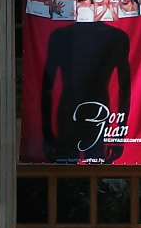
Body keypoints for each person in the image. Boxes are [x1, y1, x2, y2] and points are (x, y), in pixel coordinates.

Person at [41, 20, 132, 164]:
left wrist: (47, 132)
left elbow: (47, 86)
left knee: (73, 167)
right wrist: (119, 134)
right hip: (91, 110)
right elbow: (124, 87)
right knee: (84, 167)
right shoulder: (116, 36)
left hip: (80, 111)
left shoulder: (61, 35)